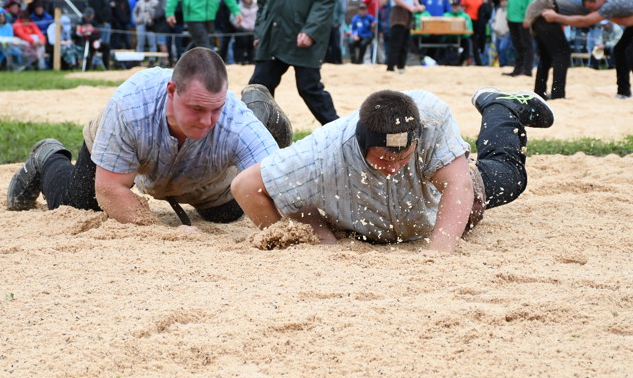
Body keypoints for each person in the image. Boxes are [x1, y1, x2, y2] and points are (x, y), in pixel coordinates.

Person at [231, 87, 554, 254]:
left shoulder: (432, 119)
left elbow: (457, 185)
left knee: (509, 177)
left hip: (433, 199)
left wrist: (438, 255)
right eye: (383, 160)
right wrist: (303, 236)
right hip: (365, 226)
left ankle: (500, 105)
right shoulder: (322, 152)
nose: (393, 167)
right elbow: (245, 186)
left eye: (402, 157)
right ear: (361, 144)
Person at [4, 47, 290, 230]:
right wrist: (159, 233)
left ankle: (261, 116)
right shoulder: (130, 105)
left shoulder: (234, 120)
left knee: (226, 213)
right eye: (197, 109)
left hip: (202, 166)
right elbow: (110, 189)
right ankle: (49, 157)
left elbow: (279, 187)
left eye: (215, 110)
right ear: (171, 91)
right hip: (127, 147)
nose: (206, 120)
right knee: (78, 202)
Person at [543, 0, 633, 101]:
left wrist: (556, 17)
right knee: (619, 50)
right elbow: (626, 20)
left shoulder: (611, 4)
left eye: (591, 8)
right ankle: (623, 92)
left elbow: (586, 21)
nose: (592, 11)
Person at [521, 0, 589, 100]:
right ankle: (558, 94)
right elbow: (584, 21)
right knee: (562, 53)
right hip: (544, 9)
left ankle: (539, 92)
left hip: (539, 9)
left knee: (546, 55)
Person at [385, 0, 423, 74]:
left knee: (405, 41)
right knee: (396, 40)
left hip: (408, 11)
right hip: (398, 11)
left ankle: (401, 66)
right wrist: (410, 7)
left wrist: (418, 6)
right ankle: (391, 67)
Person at [505, 0, 540, 77]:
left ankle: (527, 70)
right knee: (517, 45)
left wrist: (529, 17)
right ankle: (518, 69)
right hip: (513, 17)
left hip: (523, 18)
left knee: (526, 44)